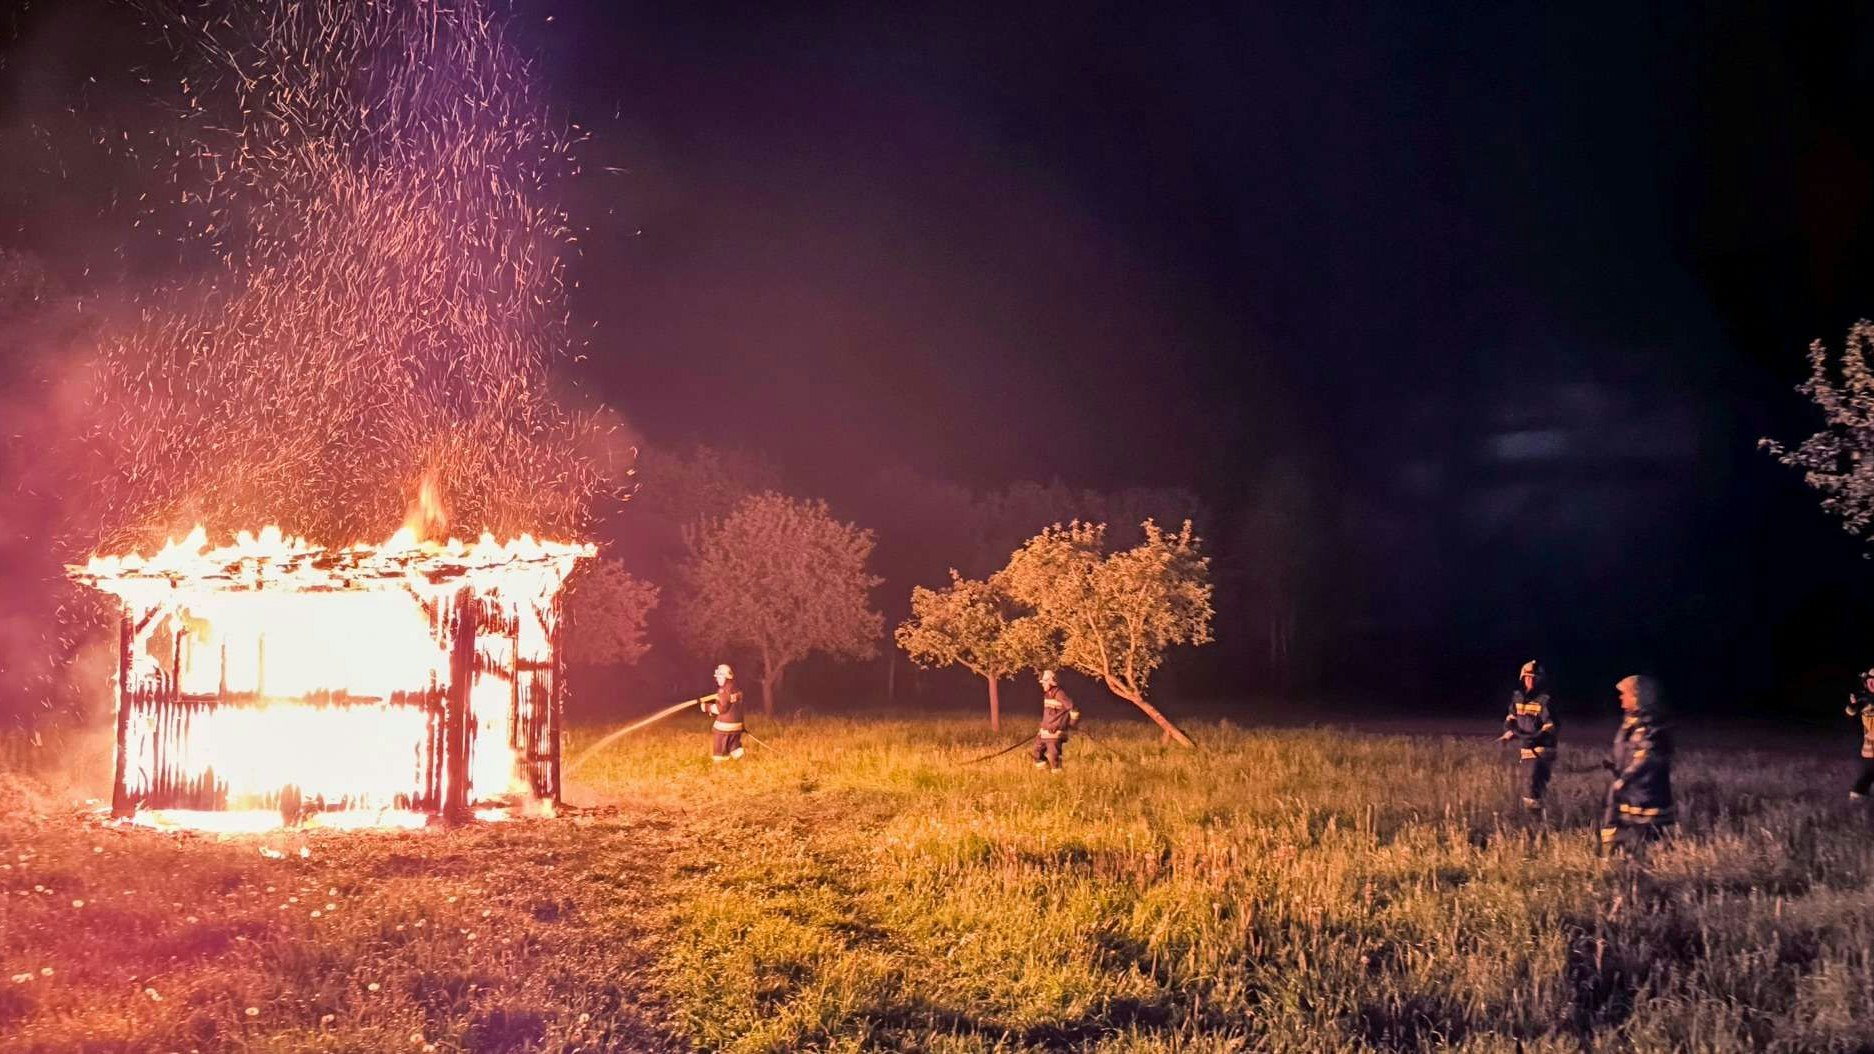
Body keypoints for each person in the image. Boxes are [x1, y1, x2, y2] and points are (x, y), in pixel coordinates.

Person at [1600, 674, 1675, 856]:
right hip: (1629, 786)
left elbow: (1646, 757)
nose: (1620, 698)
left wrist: (1626, 777)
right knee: (1616, 819)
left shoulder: (1651, 726)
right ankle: (1613, 855)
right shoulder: (1630, 722)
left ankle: (1651, 858)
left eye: (1624, 694)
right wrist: (1614, 762)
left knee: (1647, 828)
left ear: (1638, 697)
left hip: (1646, 790)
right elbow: (1625, 747)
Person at [1498, 659, 1558, 812]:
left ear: (1540, 680)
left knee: (1533, 784)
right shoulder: (1517, 698)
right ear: (1522, 678)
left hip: (1542, 750)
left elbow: (1550, 727)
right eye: (1528, 677)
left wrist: (1531, 737)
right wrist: (1509, 731)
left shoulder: (1545, 700)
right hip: (1526, 748)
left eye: (1534, 678)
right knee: (1528, 786)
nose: (1530, 681)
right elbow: (1511, 719)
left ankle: (1536, 818)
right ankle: (1536, 817)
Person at [1031, 669, 1080, 772]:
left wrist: (1072, 724)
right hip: (1044, 731)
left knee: (1053, 757)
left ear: (1051, 682)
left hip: (1055, 732)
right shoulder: (1047, 694)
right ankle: (1045, 774)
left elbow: (1073, 709)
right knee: (1037, 752)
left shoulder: (1060, 694)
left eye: (1044, 682)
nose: (1042, 685)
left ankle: (1057, 776)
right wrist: (1042, 728)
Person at [703, 663, 746, 763]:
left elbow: (721, 709)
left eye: (719, 677)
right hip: (737, 725)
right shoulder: (736, 688)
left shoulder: (723, 690)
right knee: (733, 744)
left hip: (725, 727)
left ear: (725, 677)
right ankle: (741, 760)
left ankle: (720, 765)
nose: (717, 679)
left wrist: (707, 707)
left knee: (720, 745)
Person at [1846, 668, 1874, 802]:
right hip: (1871, 746)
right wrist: (1853, 704)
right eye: (1871, 682)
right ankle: (1857, 795)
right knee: (1869, 773)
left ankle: (1860, 794)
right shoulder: (1864, 699)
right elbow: (1851, 711)